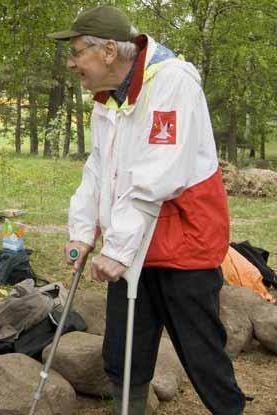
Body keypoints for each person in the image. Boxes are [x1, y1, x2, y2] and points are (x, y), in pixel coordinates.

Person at [48, 6, 246, 415]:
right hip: (133, 245)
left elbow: (158, 177)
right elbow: (98, 169)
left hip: (183, 244)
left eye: (76, 51)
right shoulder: (108, 99)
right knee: (123, 354)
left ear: (106, 51)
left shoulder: (172, 82)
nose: (71, 63)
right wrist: (82, 232)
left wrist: (116, 250)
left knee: (202, 355)